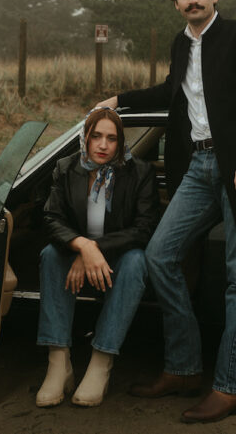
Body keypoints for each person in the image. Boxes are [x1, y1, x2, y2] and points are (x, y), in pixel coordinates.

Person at [96, 0, 236, 423]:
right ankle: (183, 368)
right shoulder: (183, 44)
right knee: (160, 255)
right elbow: (170, 92)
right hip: (198, 167)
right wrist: (118, 101)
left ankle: (231, 386)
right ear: (176, 4)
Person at [35, 107, 160, 408]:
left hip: (116, 259)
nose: (104, 145)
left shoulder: (139, 172)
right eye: (97, 137)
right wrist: (82, 247)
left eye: (112, 138)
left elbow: (144, 229)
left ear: (120, 143)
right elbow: (52, 218)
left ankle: (101, 362)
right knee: (50, 255)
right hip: (76, 253)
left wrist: (95, 249)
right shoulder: (65, 168)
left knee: (136, 262)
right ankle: (58, 362)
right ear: (86, 138)